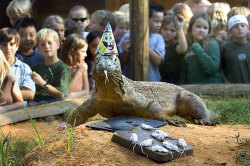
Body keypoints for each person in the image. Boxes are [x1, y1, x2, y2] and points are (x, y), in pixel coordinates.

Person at [119, 1, 165, 82]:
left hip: (153, 84)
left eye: (161, 22)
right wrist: (126, 51)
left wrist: (142, 44)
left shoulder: (159, 38)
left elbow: (158, 61)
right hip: (131, 84)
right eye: (156, 21)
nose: (159, 25)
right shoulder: (127, 37)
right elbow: (121, 64)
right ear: (145, 19)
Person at [180, 12, 222, 84]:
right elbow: (183, 73)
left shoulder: (212, 44)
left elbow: (212, 68)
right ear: (191, 28)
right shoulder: (187, 46)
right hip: (192, 89)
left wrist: (197, 47)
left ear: (209, 31)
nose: (201, 30)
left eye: (205, 28)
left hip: (213, 89)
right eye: (198, 26)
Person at [32, 28, 70, 102]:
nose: (46, 46)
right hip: (35, 107)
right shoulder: (36, 68)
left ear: (58, 45)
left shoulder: (63, 68)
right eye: (42, 44)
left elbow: (61, 95)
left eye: (49, 43)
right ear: (38, 49)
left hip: (54, 108)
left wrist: (42, 83)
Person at [0, 27, 35, 102]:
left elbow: (30, 94)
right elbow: (24, 93)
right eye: (4, 44)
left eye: (11, 44)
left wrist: (5, 95)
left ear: (17, 46)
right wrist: (19, 92)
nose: (8, 48)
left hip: (19, 111)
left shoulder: (24, 68)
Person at [220, 15, 250, 83]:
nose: (240, 28)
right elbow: (220, 68)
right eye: (236, 27)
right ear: (230, 32)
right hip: (232, 89)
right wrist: (225, 81)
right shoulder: (224, 48)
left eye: (242, 25)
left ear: (248, 29)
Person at [159, 14, 188, 84]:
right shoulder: (157, 44)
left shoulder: (175, 46)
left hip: (174, 83)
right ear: (160, 29)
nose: (168, 32)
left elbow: (183, 48)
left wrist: (179, 27)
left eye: (172, 30)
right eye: (165, 29)